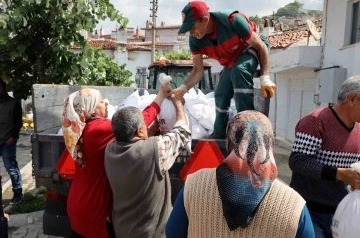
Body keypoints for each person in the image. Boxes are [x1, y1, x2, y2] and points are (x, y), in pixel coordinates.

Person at [166, 110, 315, 238]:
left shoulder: (194, 186)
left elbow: (172, 233)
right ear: (270, 145)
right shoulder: (294, 206)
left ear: (229, 143)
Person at [62, 86, 171, 238]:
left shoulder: (82, 129)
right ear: (91, 108)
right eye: (101, 101)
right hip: (94, 209)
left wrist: (151, 133)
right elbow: (139, 121)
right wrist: (160, 97)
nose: (106, 103)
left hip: (78, 203)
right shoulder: (98, 129)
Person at [173, 1, 276, 139]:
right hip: (232, 58)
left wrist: (265, 77)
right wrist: (183, 88)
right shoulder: (195, 40)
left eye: (192, 27)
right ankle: (219, 133)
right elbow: (198, 71)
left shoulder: (232, 20)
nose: (191, 33)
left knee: (240, 70)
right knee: (221, 92)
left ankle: (248, 130)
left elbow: (261, 46)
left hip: (250, 48)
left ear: (204, 20)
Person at [104, 93, 191, 238]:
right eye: (144, 124)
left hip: (122, 230)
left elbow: (136, 143)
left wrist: (152, 128)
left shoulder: (110, 149)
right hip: (151, 234)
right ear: (139, 131)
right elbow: (182, 133)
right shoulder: (153, 150)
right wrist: (178, 104)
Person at [289, 75, 360, 238]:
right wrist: (341, 174)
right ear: (352, 99)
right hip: (309, 210)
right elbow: (298, 161)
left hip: (341, 211)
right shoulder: (315, 121)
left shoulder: (359, 129)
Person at [0, 78, 23, 204]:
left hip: (7, 142)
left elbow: (18, 122)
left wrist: (12, 137)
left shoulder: (13, 103)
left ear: (3, 88)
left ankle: (18, 193)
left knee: (11, 168)